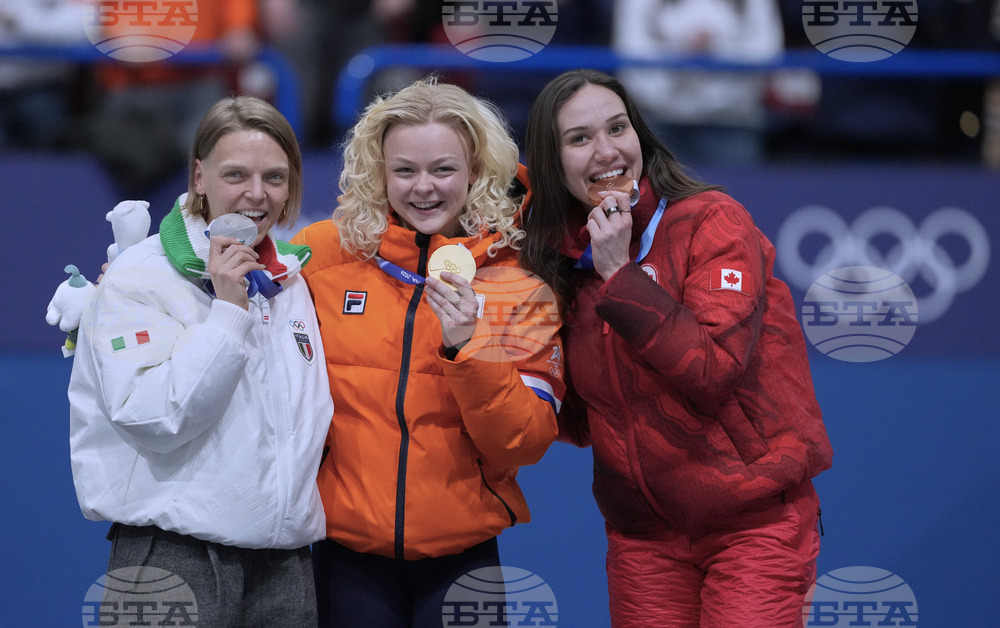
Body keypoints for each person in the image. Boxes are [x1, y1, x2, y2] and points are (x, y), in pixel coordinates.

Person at [520, 69, 833, 627]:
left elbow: (712, 371)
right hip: (644, 540)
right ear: (552, 162)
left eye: (618, 128)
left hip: (753, 526)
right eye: (579, 138)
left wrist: (620, 275)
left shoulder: (712, 223)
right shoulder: (561, 260)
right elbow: (577, 419)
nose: (606, 151)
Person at [291, 77, 565, 628]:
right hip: (348, 556)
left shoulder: (517, 282)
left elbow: (526, 441)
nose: (424, 188)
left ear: (477, 172)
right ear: (379, 172)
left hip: (463, 560)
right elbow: (223, 270)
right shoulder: (324, 253)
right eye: (404, 170)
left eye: (444, 169)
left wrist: (470, 348)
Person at [68, 96, 333, 627]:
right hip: (173, 556)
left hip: (283, 566)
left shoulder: (291, 282)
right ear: (199, 176)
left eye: (275, 177)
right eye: (236, 174)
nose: (256, 195)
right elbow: (155, 417)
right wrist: (228, 314)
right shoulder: (139, 276)